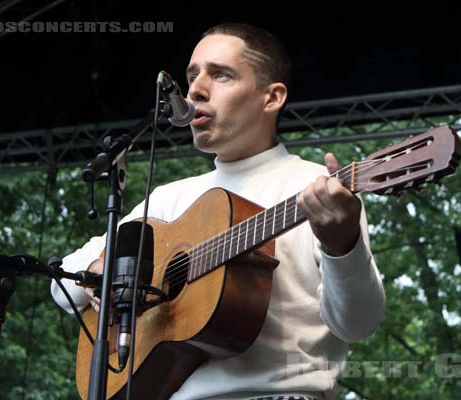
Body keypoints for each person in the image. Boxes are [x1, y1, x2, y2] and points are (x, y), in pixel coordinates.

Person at [51, 22, 386, 400]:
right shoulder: (169, 200)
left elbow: (358, 325)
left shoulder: (319, 188)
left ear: (271, 97)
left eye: (221, 75)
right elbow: (61, 281)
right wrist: (99, 274)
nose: (195, 89)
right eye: (192, 75)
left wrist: (342, 244)